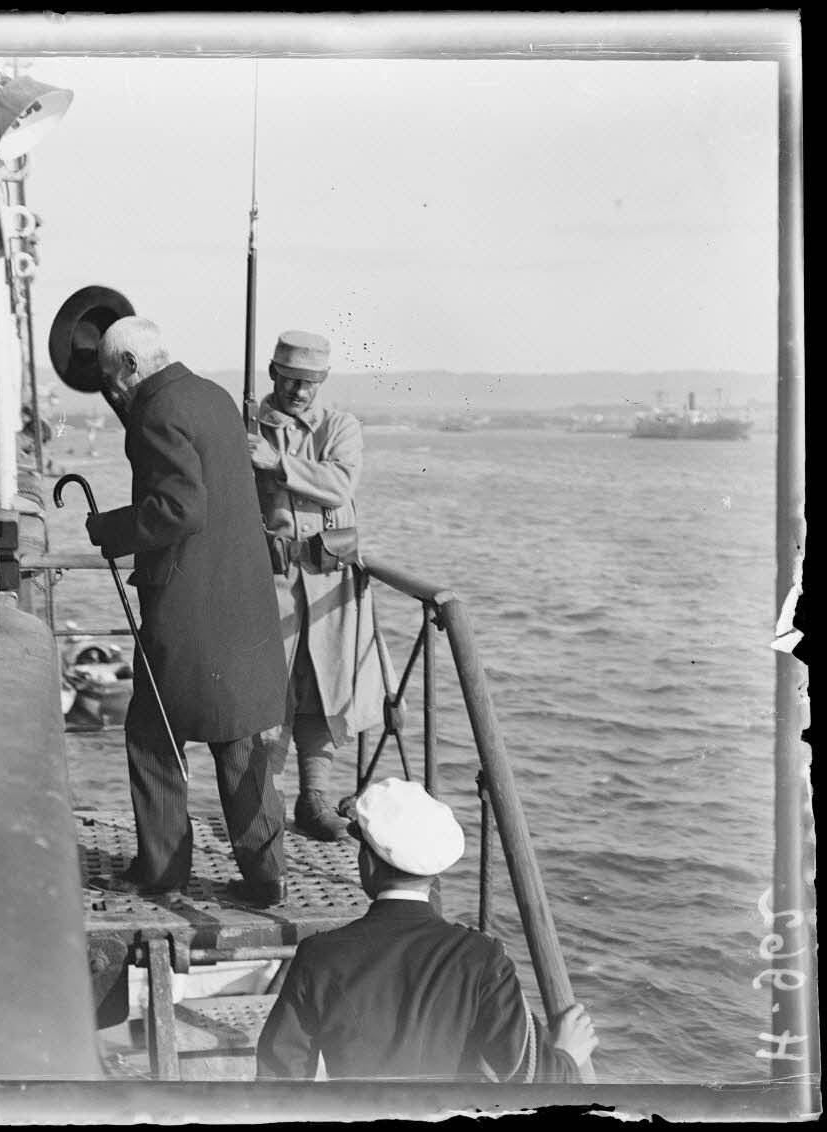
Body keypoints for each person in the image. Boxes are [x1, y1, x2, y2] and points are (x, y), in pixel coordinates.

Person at [83, 316, 290, 907]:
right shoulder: (212, 395)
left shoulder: (155, 411)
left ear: (130, 364)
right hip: (241, 605)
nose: (113, 391)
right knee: (238, 737)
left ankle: (163, 868)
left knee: (152, 735)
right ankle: (267, 877)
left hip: (186, 611)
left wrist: (111, 529)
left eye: (111, 378)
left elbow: (179, 508)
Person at [256, 777, 599, 1081]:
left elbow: (278, 1082)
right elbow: (531, 1076)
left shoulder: (319, 957)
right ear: (435, 873)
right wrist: (567, 1055)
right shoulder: (483, 959)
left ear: (367, 863)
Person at [249, 331, 385, 841]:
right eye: (291, 380)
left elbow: (340, 484)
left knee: (325, 686)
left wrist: (276, 463)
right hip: (271, 583)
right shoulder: (247, 430)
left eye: (310, 383)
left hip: (330, 583)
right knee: (269, 692)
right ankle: (264, 806)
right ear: (273, 374)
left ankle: (314, 798)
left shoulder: (340, 427)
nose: (300, 392)